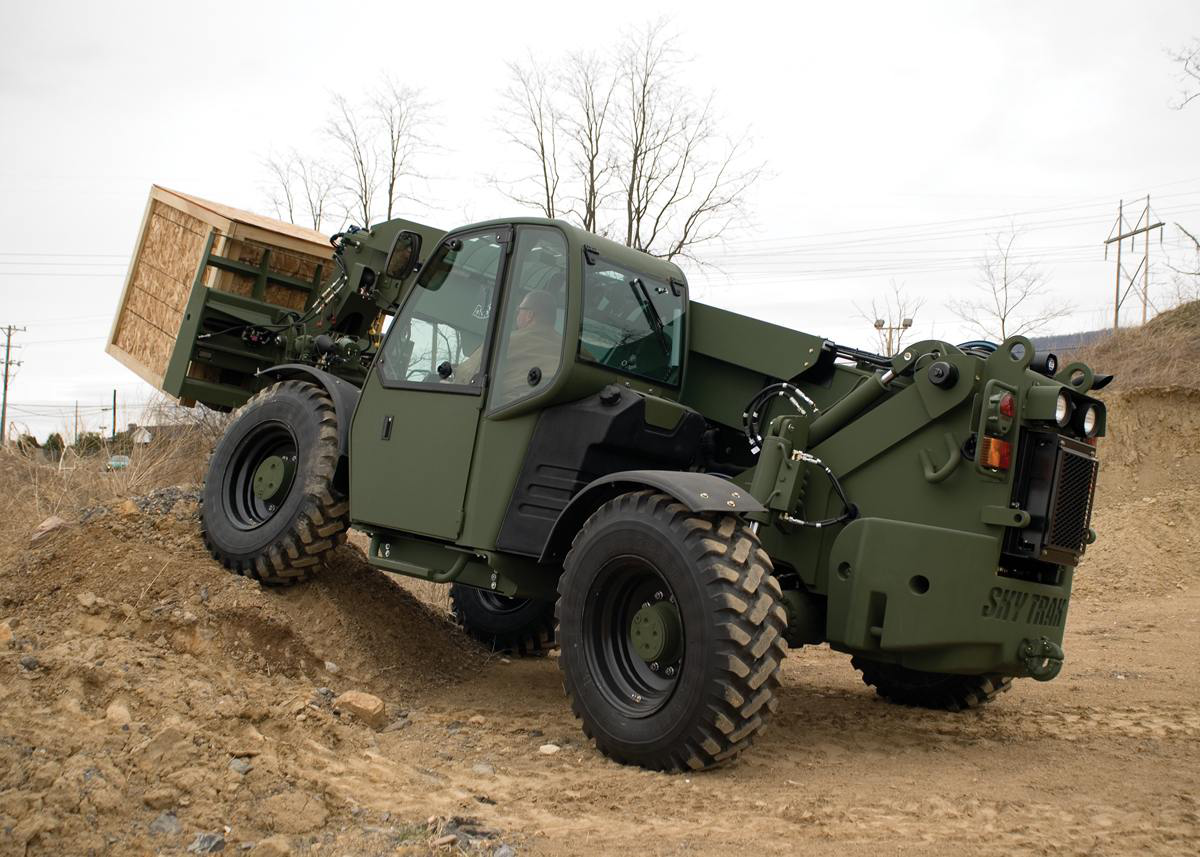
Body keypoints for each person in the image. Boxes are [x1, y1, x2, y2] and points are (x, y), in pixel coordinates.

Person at [452, 289, 561, 402]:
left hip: (507, 408)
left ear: (530, 315)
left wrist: (454, 373)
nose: (517, 315)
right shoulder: (564, 350)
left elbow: (467, 375)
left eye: (519, 310)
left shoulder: (507, 341)